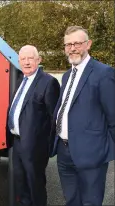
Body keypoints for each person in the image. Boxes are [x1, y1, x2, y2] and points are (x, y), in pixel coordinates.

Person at [49, 26, 115, 206]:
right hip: (64, 153)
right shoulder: (67, 76)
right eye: (68, 44)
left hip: (92, 154)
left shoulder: (104, 73)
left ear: (88, 44)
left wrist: (106, 151)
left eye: (77, 43)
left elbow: (113, 117)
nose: (72, 48)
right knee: (71, 200)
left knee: (90, 202)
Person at [6, 45, 60, 206]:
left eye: (31, 58)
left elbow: (54, 118)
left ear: (39, 60)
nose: (27, 62)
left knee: (35, 186)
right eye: (23, 59)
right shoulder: (20, 80)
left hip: (36, 146)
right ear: (19, 61)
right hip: (17, 143)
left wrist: (48, 146)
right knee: (21, 185)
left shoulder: (48, 82)